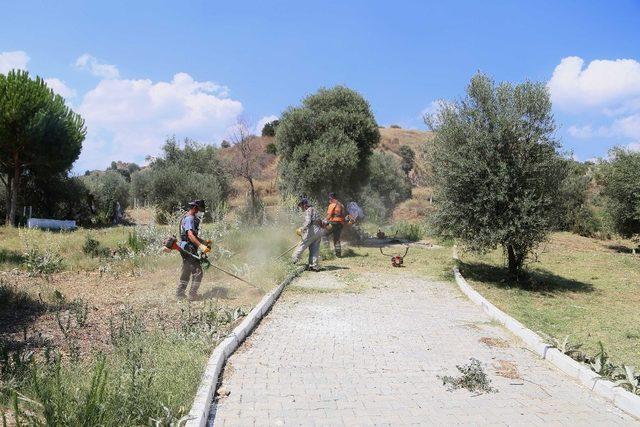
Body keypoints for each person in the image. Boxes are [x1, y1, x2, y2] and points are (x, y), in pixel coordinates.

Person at [177, 199, 210, 300]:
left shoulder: (186, 217)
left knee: (186, 270)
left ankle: (180, 294)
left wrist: (203, 242)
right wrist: (201, 246)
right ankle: (192, 294)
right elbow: (190, 236)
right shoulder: (190, 219)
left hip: (185, 246)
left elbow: (189, 236)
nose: (201, 212)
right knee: (197, 271)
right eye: (200, 210)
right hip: (189, 248)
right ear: (195, 208)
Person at [292, 197, 322, 271]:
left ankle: (294, 260)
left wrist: (301, 229)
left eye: (301, 205)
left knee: (302, 244)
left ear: (304, 204)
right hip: (319, 230)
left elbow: (308, 221)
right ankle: (314, 265)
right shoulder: (315, 209)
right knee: (314, 248)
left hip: (313, 230)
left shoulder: (308, 210)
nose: (301, 207)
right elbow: (320, 221)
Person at [325, 192, 345, 257]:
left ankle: (326, 252)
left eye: (329, 198)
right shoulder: (341, 205)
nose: (329, 199)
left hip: (333, 223)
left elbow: (329, 215)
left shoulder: (332, 204)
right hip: (340, 224)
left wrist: (324, 221)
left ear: (331, 197)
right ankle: (338, 254)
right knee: (336, 239)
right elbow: (343, 215)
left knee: (324, 234)